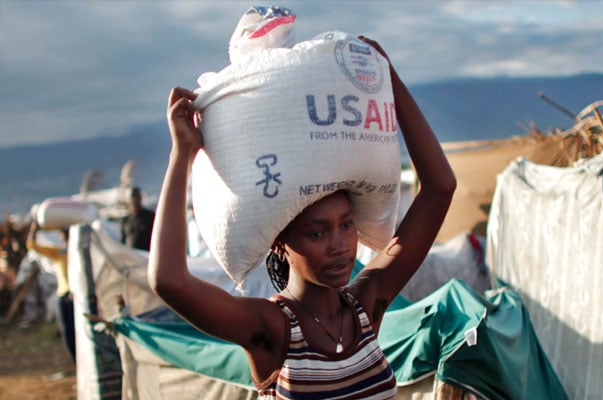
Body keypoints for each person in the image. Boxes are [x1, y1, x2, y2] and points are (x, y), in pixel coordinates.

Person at [148, 37, 456, 398]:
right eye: (317, 233)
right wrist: (181, 153)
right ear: (281, 244)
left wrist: (389, 83)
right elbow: (169, 281)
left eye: (346, 224)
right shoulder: (272, 330)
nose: (341, 245)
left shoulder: (367, 306)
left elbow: (440, 188)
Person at [26, 219, 76, 364]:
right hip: (63, 294)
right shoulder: (58, 253)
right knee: (66, 330)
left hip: (76, 296)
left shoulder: (79, 253)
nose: (63, 236)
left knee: (77, 330)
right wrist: (34, 228)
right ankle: (75, 362)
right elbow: (32, 246)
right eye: (63, 234)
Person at [120, 187, 155, 251]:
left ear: (140, 198)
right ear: (128, 200)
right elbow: (123, 241)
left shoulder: (150, 217)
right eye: (132, 197)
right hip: (131, 257)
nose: (134, 200)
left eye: (137, 197)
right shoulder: (126, 220)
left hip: (145, 255)